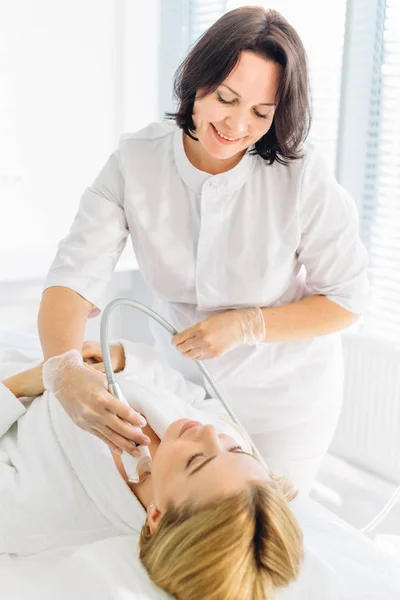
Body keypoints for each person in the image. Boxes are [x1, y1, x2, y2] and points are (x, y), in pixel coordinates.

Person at [37, 7, 371, 495]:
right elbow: (73, 274)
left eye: (261, 112)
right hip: (186, 393)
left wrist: (247, 324)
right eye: (226, 99)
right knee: (181, 516)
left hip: (288, 400)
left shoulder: (300, 176)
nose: (237, 125)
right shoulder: (137, 162)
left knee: (257, 529)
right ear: (196, 81)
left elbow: (348, 300)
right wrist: (62, 370)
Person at [0, 339, 303, 600]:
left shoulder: (43, 509)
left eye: (196, 461)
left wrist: (26, 383)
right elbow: (194, 398)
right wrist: (123, 359)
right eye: (234, 449)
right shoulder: (227, 457)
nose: (210, 434)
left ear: (157, 515)